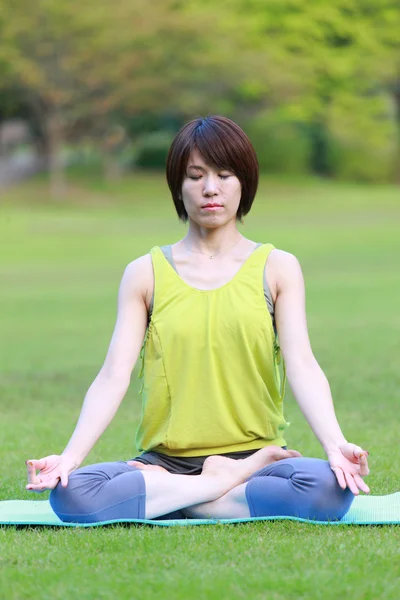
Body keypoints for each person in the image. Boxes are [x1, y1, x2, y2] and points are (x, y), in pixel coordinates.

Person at [26, 115, 370, 523]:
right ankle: (217, 488)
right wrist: (70, 457)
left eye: (225, 175)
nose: (210, 188)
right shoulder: (145, 272)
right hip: (167, 463)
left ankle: (179, 498)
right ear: (178, 186)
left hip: (259, 457)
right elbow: (113, 374)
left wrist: (334, 445)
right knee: (74, 497)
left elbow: (302, 365)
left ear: (245, 183)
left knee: (330, 490)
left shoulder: (278, 267)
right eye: (196, 176)